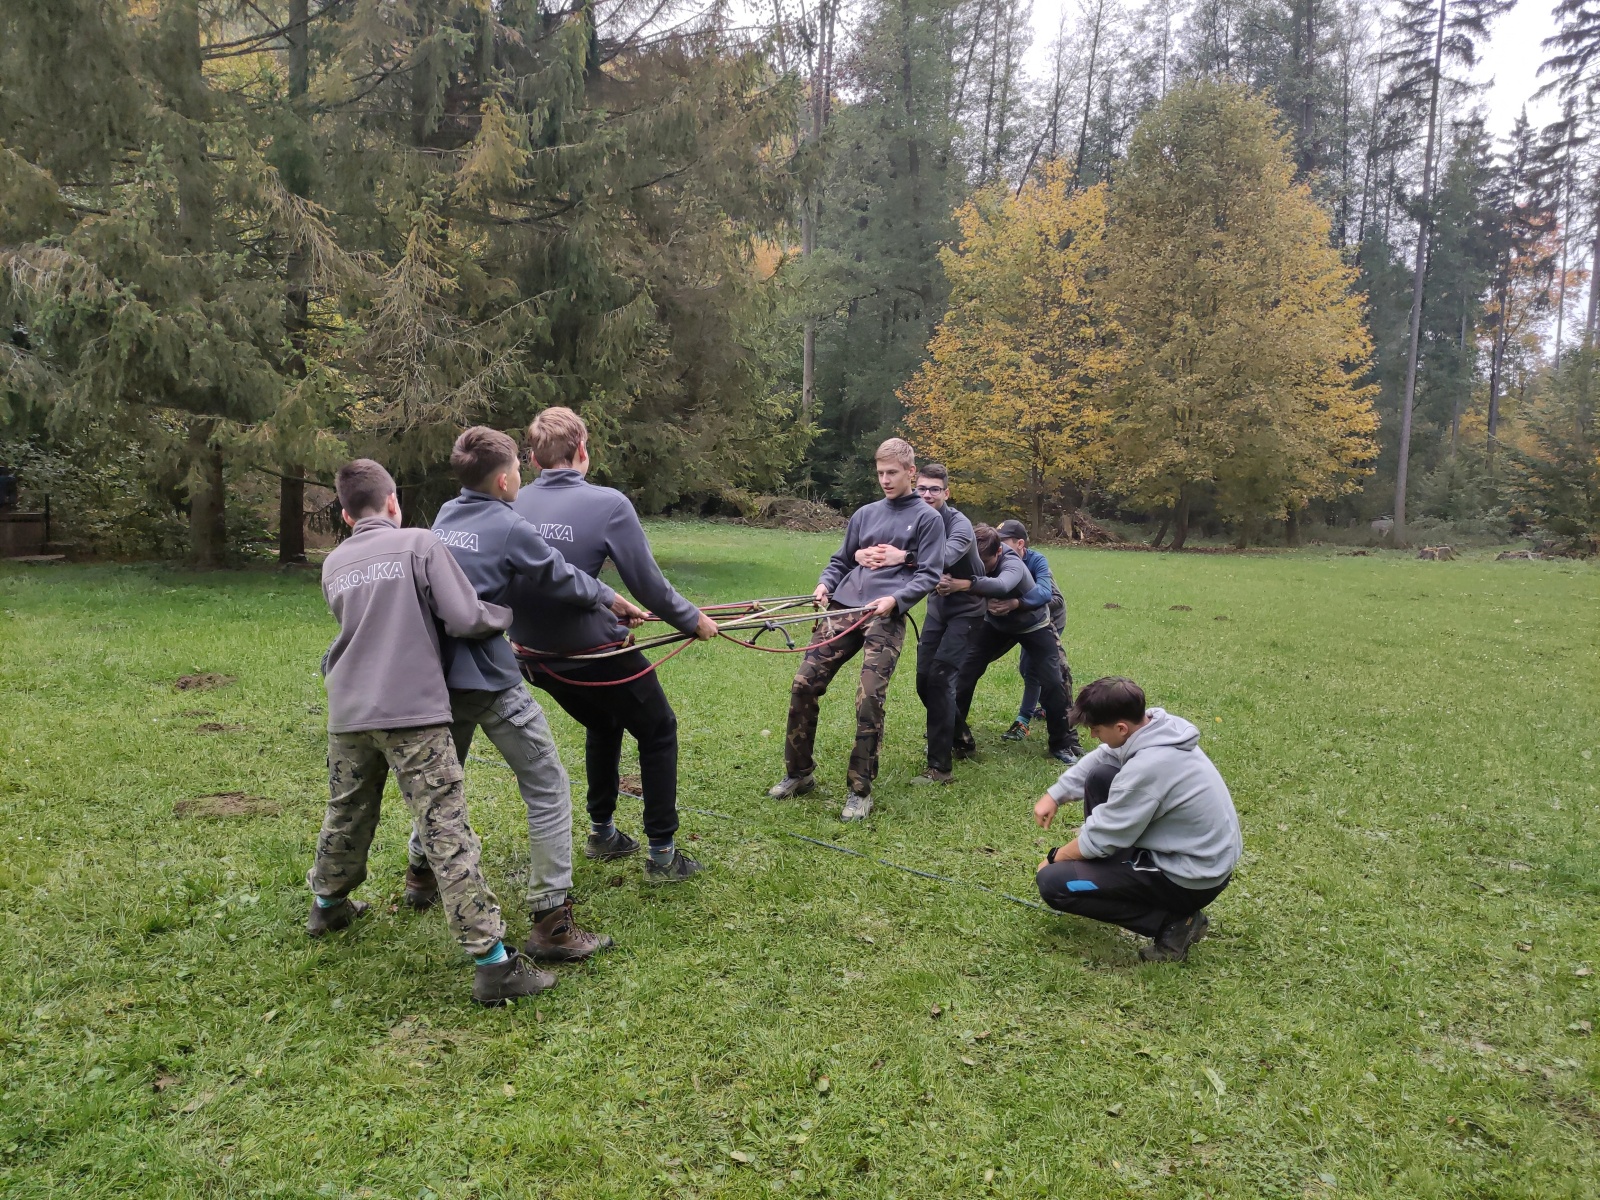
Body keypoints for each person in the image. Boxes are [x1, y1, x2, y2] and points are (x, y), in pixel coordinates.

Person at [308, 458, 552, 1006]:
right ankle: (493, 963)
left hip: (349, 711)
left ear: (346, 516)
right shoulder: (419, 544)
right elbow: (464, 617)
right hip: (412, 713)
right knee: (445, 826)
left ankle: (327, 906)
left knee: (347, 809)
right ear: (393, 502)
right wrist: (502, 616)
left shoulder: (334, 563)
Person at [411, 426, 641, 961]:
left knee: (442, 782)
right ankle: (552, 922)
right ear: (503, 480)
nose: (521, 474)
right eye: (517, 467)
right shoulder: (509, 524)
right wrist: (611, 598)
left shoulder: (446, 515)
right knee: (547, 783)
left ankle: (420, 876)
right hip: (487, 676)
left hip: (439, 676)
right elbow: (561, 576)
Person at [510, 407, 718, 883]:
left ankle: (603, 833)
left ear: (533, 458)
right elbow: (649, 586)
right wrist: (693, 620)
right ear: (583, 450)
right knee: (658, 728)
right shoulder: (609, 503)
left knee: (603, 721)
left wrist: (612, 606)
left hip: (532, 659)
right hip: (593, 657)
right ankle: (663, 856)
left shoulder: (511, 503)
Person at [767, 437, 945, 821]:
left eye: (892, 472)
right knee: (803, 683)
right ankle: (799, 773)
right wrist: (825, 583)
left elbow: (930, 574)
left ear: (911, 472)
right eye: (880, 473)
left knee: (868, 698)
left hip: (885, 614)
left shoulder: (928, 519)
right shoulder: (865, 514)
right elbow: (841, 560)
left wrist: (896, 599)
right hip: (843, 608)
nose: (885, 480)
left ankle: (860, 789)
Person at [1032, 677, 1241, 962]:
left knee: (1054, 882)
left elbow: (1100, 839)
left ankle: (1175, 923)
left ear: (1121, 728)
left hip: (1192, 876)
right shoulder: (1156, 727)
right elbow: (1103, 757)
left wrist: (1055, 857)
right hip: (1195, 853)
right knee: (1101, 775)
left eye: (1096, 729)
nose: (1092, 736)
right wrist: (1055, 795)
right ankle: (1112, 872)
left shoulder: (1148, 767)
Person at [946, 525, 1076, 765]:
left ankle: (1061, 744)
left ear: (999, 551)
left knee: (1053, 680)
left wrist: (1015, 603)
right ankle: (952, 735)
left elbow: (1033, 592)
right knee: (964, 674)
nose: (981, 568)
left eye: (986, 563)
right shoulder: (973, 557)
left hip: (1034, 625)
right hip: (995, 625)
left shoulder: (1014, 563)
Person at [909, 464, 984, 785]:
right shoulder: (915, 518)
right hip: (937, 609)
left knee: (940, 678)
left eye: (934, 489)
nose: (927, 494)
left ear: (946, 492)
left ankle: (940, 768)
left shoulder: (959, 524)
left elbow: (943, 556)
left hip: (967, 611)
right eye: (922, 488)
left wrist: (902, 557)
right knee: (923, 681)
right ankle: (961, 736)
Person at [994, 519, 1079, 757]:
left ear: (1020, 544)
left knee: (1036, 669)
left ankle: (1026, 721)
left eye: (1003, 542)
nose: (997, 547)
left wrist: (1022, 604)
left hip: (1048, 621)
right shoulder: (997, 561)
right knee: (1027, 670)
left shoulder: (1035, 562)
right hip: (1014, 620)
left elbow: (1056, 600)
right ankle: (1044, 708)